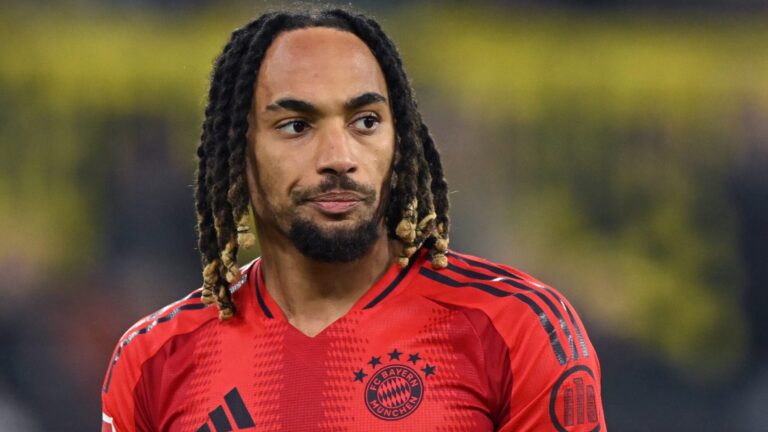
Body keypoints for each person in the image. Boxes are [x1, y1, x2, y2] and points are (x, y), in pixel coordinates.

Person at [101, 6, 606, 431]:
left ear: (398, 140)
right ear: (238, 156)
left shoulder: (515, 330)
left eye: (365, 121)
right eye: (296, 125)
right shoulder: (154, 360)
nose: (339, 156)